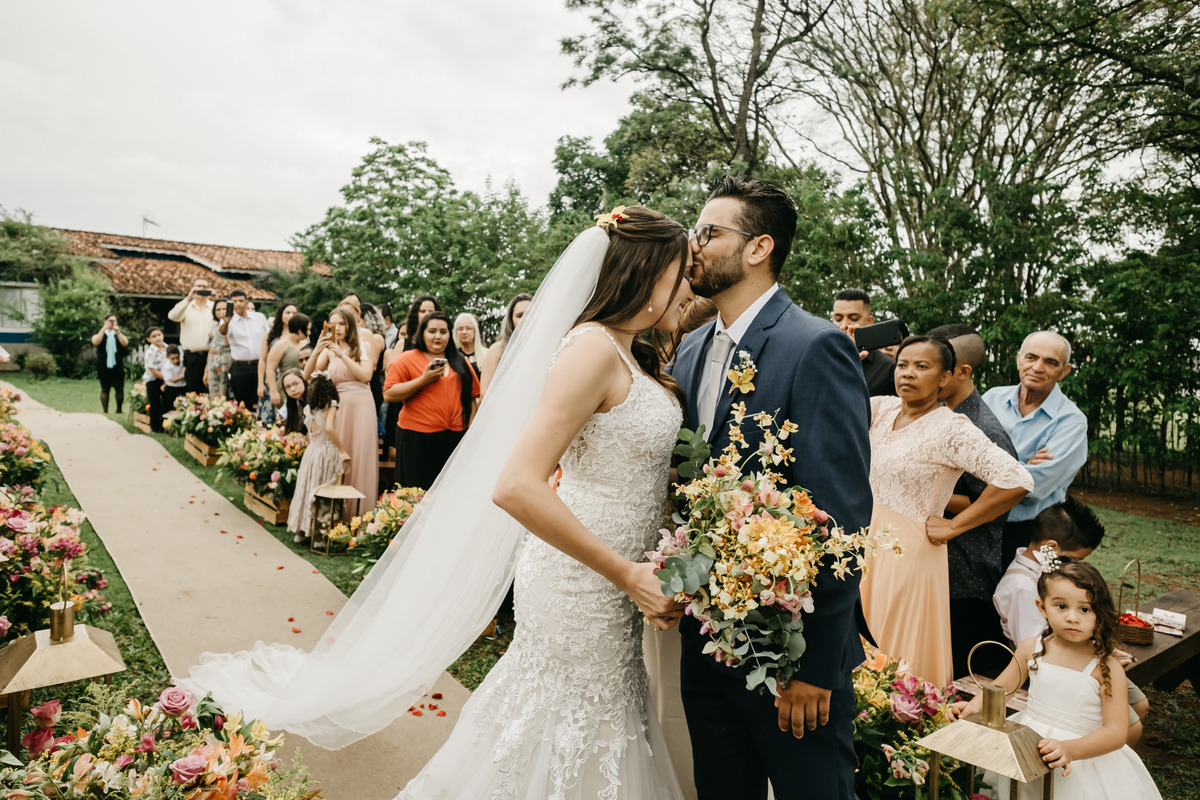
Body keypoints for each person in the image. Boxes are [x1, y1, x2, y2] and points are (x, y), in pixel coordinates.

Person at [184, 207, 694, 799]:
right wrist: (627, 573)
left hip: (616, 584)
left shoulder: (630, 351)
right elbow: (516, 485)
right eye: (680, 273)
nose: (686, 287)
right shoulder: (592, 349)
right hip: (583, 580)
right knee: (559, 725)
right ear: (647, 271)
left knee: (588, 727)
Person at [668, 176, 872, 800]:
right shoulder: (693, 346)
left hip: (789, 654)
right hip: (706, 639)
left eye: (709, 232)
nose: (693, 245)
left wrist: (815, 669)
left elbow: (841, 516)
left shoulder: (816, 346)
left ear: (758, 248)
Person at [860, 336, 1033, 687]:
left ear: (945, 377)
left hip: (908, 555)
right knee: (860, 643)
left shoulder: (950, 429)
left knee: (892, 650)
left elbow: (1016, 479)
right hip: (865, 545)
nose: (908, 373)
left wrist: (955, 527)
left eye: (922, 367)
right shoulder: (881, 408)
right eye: (903, 365)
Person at [948, 561, 1162, 799]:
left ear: (1100, 614)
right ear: (1042, 607)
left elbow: (1116, 732)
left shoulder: (1107, 667)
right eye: (1061, 606)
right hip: (1025, 745)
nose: (1072, 617)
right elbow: (1001, 688)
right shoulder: (1032, 648)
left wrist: (1070, 749)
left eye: (1085, 609)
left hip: (1083, 760)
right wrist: (972, 707)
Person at [993, 498, 1150, 744]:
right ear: (1051, 547)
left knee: (1141, 704)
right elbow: (1034, 647)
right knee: (1132, 724)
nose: (1074, 567)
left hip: (1082, 649)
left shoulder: (1050, 574)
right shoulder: (1022, 587)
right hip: (1057, 666)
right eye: (1074, 560)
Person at [926, 323, 1019, 677]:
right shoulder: (939, 413)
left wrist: (929, 493)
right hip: (936, 564)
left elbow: (998, 500)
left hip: (965, 574)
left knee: (964, 672)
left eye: (933, 364)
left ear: (961, 371)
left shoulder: (982, 427)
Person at [983, 331, 1089, 564]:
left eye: (1050, 362)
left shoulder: (1071, 421)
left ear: (1065, 371)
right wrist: (1023, 466)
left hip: (1030, 534)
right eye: (1031, 357)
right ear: (1019, 359)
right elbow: (961, 462)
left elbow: (1032, 489)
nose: (1038, 367)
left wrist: (987, 465)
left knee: (1020, 597)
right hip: (978, 524)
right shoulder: (991, 399)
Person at [383, 311, 481, 491]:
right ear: (423, 333)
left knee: (449, 493)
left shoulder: (459, 361)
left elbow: (473, 397)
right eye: (432, 331)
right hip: (417, 437)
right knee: (416, 496)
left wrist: (470, 432)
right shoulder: (407, 359)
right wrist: (423, 380)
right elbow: (389, 393)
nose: (438, 336)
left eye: (443, 332)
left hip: (454, 438)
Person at [304, 306, 376, 515]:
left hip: (360, 403)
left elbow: (365, 376)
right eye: (333, 324)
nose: (337, 328)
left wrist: (341, 355)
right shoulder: (327, 349)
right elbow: (309, 375)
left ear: (350, 326)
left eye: (342, 324)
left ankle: (359, 513)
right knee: (341, 452)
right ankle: (337, 513)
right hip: (337, 404)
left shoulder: (362, 346)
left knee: (359, 452)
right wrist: (319, 348)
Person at [287, 373, 345, 544]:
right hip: (326, 451)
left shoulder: (309, 409)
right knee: (323, 491)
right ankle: (319, 535)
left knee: (307, 487)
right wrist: (343, 451)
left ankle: (302, 530)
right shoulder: (332, 406)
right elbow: (330, 429)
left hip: (312, 452)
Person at [831, 288, 896, 396]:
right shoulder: (821, 360)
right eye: (838, 319)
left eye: (854, 318)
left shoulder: (888, 368)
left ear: (870, 321)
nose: (844, 325)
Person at [220, 290, 270, 410]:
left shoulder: (259, 317)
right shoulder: (227, 320)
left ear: (247, 302)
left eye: (241, 301)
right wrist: (226, 322)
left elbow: (269, 336)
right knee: (242, 402)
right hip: (240, 367)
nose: (238, 304)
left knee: (262, 398)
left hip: (260, 364)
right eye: (234, 301)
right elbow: (223, 332)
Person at [168, 277, 217, 394]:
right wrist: (189, 298)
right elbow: (172, 316)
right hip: (192, 356)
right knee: (193, 390)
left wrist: (217, 300)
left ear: (209, 289)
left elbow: (226, 320)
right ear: (192, 288)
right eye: (198, 286)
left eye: (204, 287)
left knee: (211, 389)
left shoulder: (214, 307)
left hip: (212, 355)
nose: (201, 289)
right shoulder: (186, 306)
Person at [478, 292, 531, 395]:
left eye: (531, 314)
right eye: (520, 315)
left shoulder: (549, 347)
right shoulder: (497, 350)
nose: (526, 319)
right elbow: (485, 393)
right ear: (511, 320)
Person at [257, 303, 297, 426]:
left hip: (292, 378)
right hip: (273, 378)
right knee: (271, 417)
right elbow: (263, 359)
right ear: (281, 315)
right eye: (288, 312)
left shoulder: (299, 335)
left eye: (294, 313)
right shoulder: (271, 335)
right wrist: (260, 383)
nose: (291, 315)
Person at [264, 313, 309, 412]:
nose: (309, 333)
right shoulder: (281, 344)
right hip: (287, 387)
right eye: (307, 329)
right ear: (299, 329)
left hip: (303, 386)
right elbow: (270, 369)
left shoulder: (305, 343)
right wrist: (274, 391)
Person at [91, 313, 129, 414]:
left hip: (117, 364)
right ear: (105, 321)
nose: (112, 323)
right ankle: (105, 410)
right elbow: (95, 341)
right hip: (103, 364)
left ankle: (119, 410)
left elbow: (125, 343)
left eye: (114, 321)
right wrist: (104, 329)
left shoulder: (118, 333)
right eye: (110, 321)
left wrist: (118, 332)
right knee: (105, 388)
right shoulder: (99, 332)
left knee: (120, 388)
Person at [203, 298, 232, 399]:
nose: (221, 312)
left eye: (224, 309)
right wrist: (206, 371)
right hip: (213, 366)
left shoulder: (233, 325)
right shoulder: (213, 327)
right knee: (214, 397)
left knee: (226, 396)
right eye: (218, 309)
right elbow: (211, 349)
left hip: (227, 365)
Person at [141, 327, 168, 432]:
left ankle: (165, 426)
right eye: (154, 336)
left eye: (159, 335)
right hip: (153, 380)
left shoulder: (168, 348)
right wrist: (165, 378)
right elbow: (152, 369)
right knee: (154, 403)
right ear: (149, 339)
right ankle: (154, 427)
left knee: (166, 403)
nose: (157, 338)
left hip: (166, 380)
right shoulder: (150, 352)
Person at [278, 368, 308, 435]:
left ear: (303, 381)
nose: (292, 389)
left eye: (295, 384)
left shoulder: (315, 399)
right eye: (288, 386)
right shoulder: (292, 402)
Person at [161, 345, 187, 411]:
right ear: (167, 357)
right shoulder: (167, 366)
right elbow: (172, 380)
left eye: (177, 357)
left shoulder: (182, 362)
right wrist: (185, 375)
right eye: (173, 358)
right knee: (171, 409)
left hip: (183, 388)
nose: (176, 360)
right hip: (172, 390)